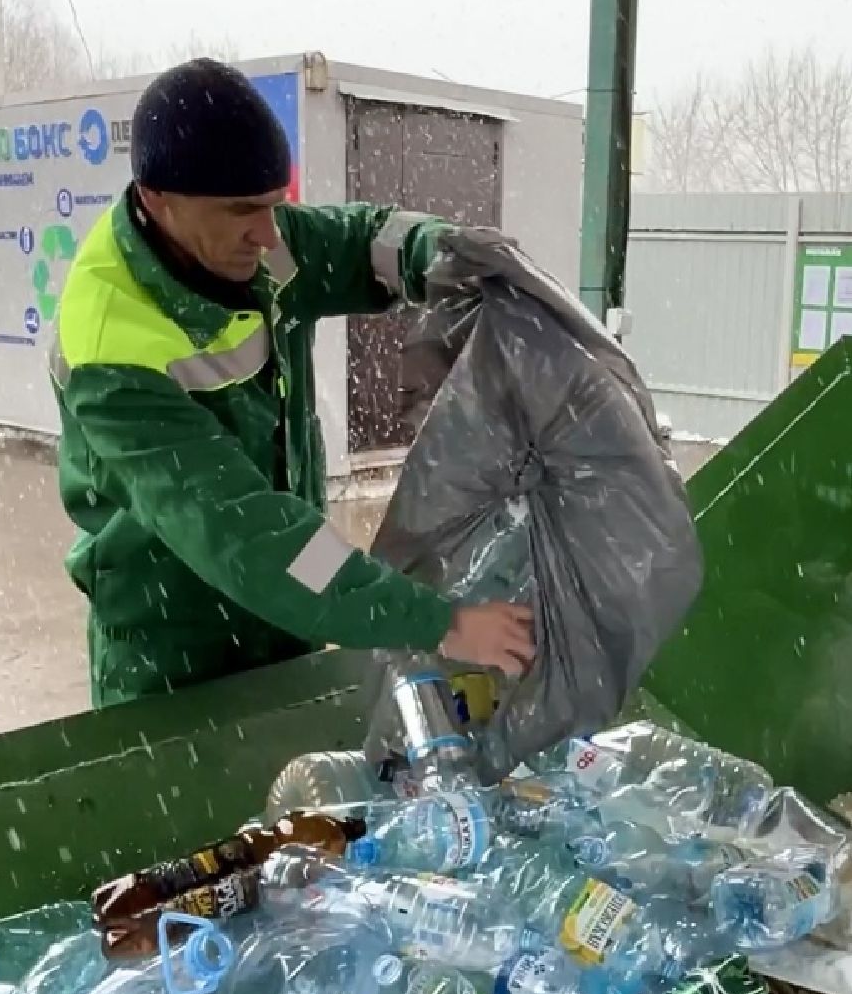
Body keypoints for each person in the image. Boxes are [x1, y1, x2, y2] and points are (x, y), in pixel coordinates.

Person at [46, 58, 533, 707]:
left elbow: (365, 243)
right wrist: (440, 622)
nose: (269, 233)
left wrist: (448, 256)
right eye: (244, 210)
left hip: (284, 617)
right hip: (172, 647)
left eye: (276, 204)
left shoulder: (250, 239)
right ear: (157, 199)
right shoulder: (112, 349)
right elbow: (256, 540)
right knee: (201, 801)